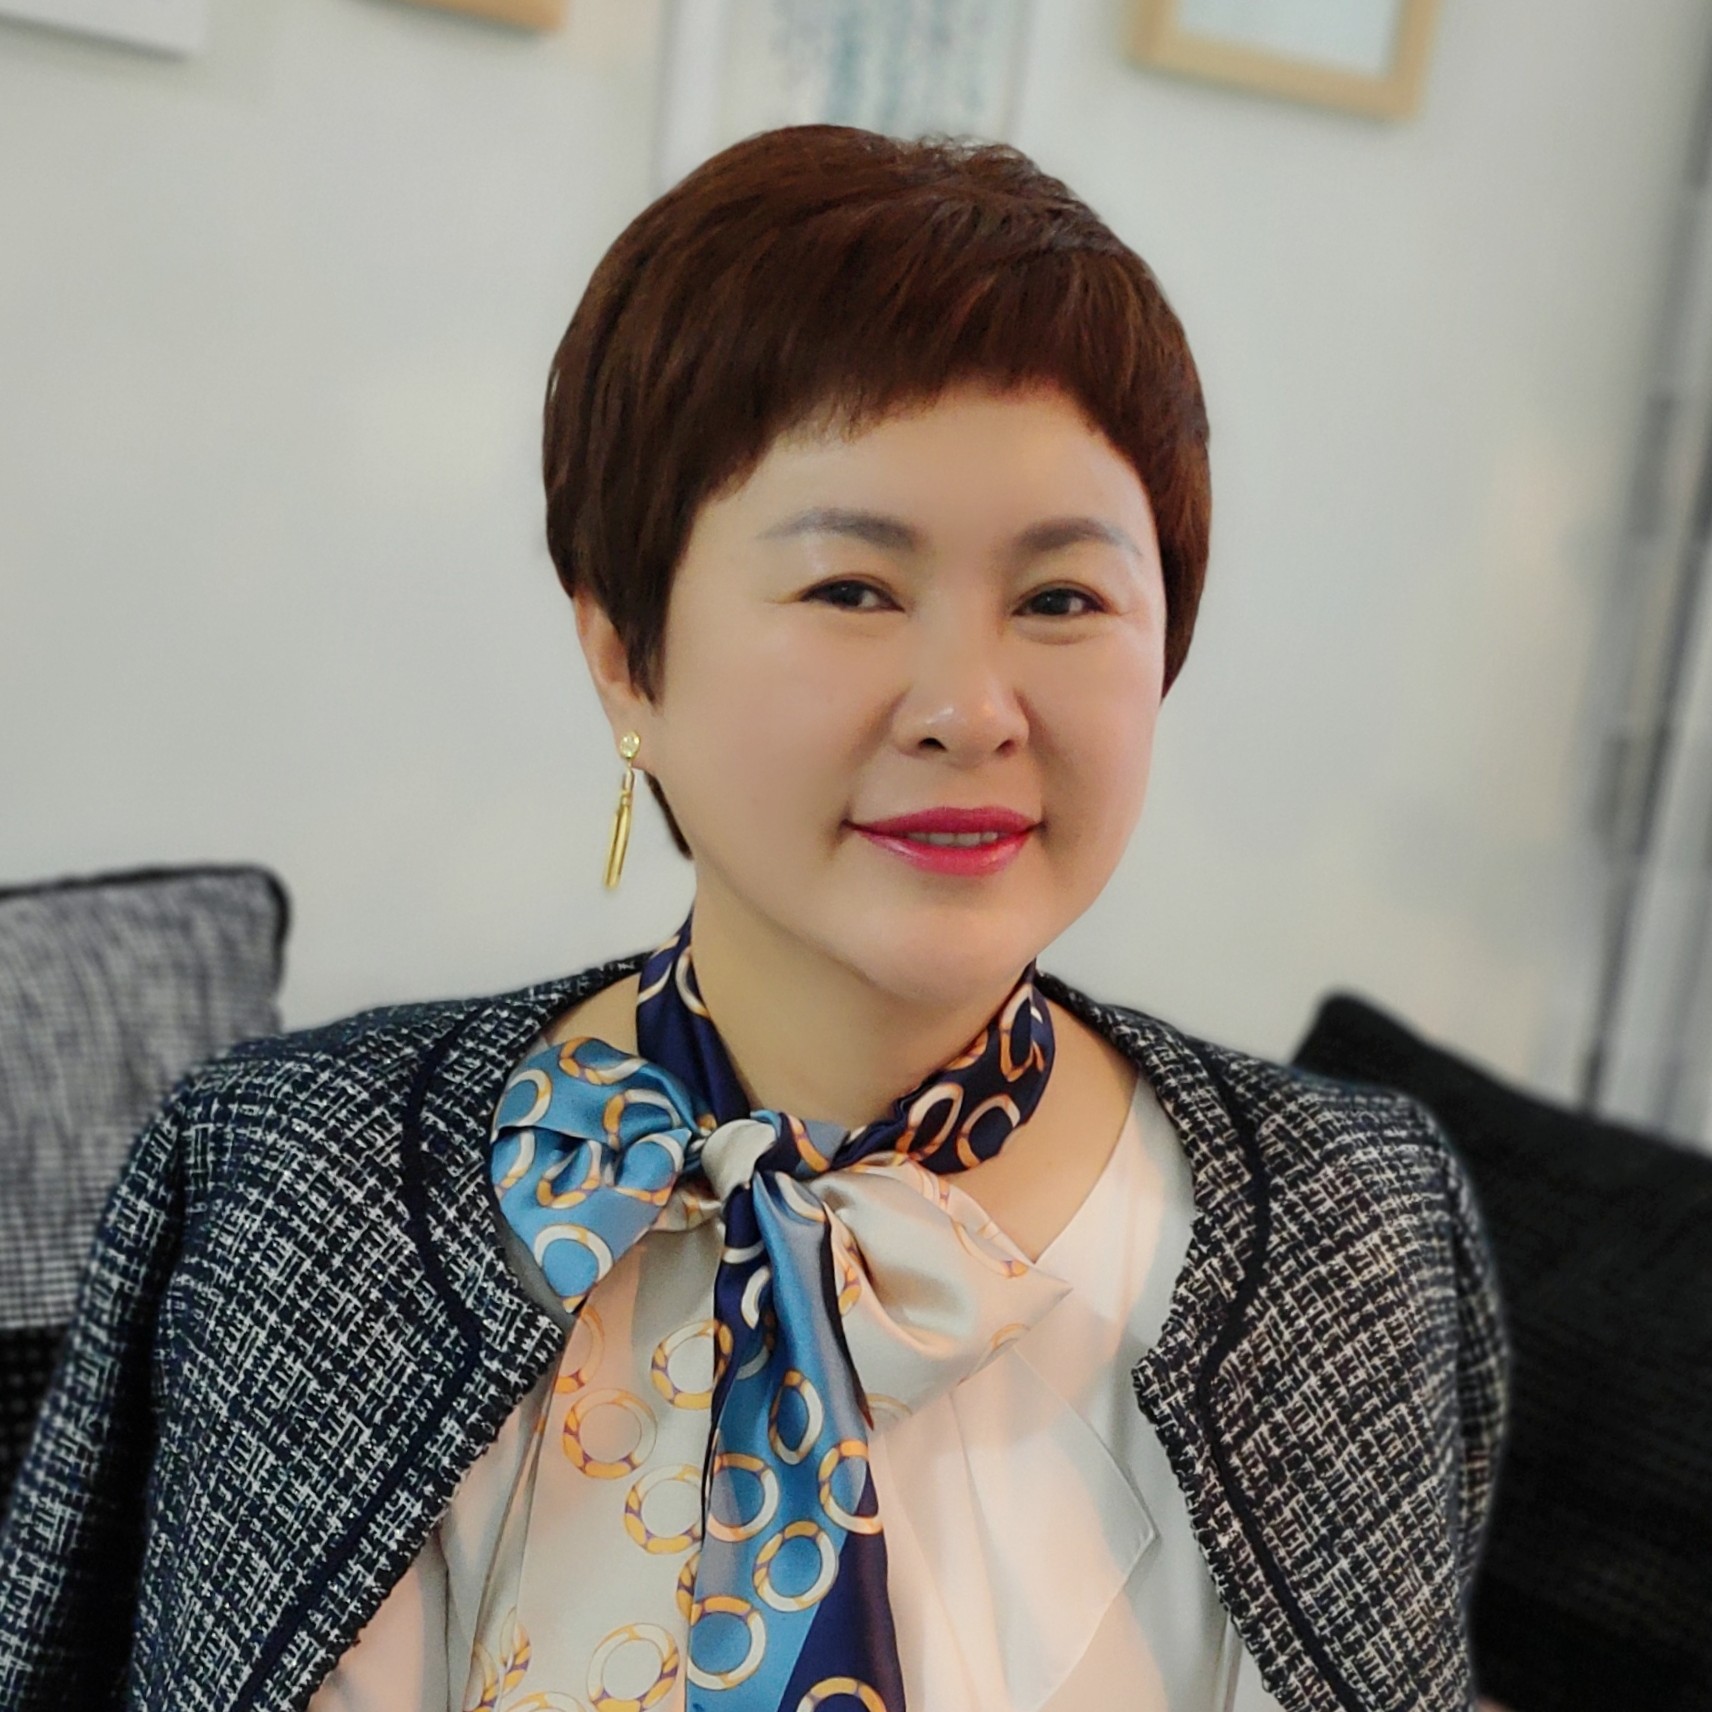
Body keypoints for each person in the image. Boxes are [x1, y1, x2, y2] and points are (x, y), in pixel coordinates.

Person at [0, 125, 1507, 1712]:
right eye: (854, 589)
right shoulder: (284, 1181)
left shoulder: (1362, 1227)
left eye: (1061, 598)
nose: (971, 707)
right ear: (625, 654)